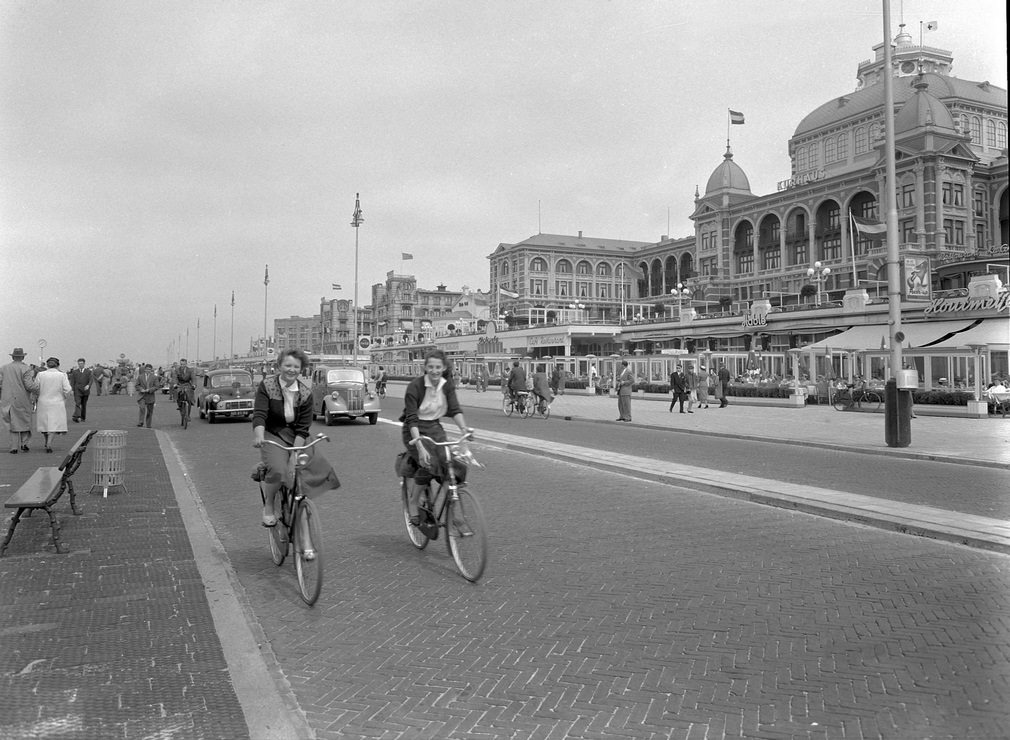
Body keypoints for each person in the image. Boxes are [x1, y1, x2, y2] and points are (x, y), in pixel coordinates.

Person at [252, 348, 339, 561]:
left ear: (302, 370)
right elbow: (260, 414)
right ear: (279, 366)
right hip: (272, 434)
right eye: (288, 365)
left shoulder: (305, 393)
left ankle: (306, 534)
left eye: (296, 367)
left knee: (305, 478)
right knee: (279, 470)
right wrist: (259, 435)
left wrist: (294, 456)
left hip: (296, 437)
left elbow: (302, 428)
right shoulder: (267, 386)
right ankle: (270, 504)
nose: (291, 370)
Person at [399, 349, 472, 530]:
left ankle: (453, 509)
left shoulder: (447, 386)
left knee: (451, 464)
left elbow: (455, 409)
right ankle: (414, 502)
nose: (434, 371)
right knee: (427, 463)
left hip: (434, 427)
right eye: (430, 367)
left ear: (444, 367)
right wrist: (420, 446)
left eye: (438, 367)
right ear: (425, 368)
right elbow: (411, 418)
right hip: (413, 430)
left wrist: (465, 429)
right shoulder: (415, 387)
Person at [1, 347, 39, 453]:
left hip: (7, 399)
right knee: (24, 420)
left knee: (12, 423)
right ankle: (24, 443)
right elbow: (29, 385)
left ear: (13, 357)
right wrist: (38, 388)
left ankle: (13, 447)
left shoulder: (4, 368)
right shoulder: (26, 369)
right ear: (22, 357)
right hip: (22, 399)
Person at [34, 357, 72, 453]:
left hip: (43, 402)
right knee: (53, 424)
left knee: (45, 424)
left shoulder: (40, 374)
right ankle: (49, 443)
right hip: (57, 402)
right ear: (58, 365)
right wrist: (64, 396)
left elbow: (35, 387)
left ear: (47, 365)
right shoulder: (62, 375)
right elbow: (67, 389)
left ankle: (47, 441)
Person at [68, 357, 94, 423]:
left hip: (85, 391)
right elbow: (72, 382)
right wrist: (72, 390)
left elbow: (91, 380)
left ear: (84, 364)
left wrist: (88, 385)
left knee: (84, 405)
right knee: (77, 403)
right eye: (79, 364)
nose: (80, 365)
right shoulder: (74, 372)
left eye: (82, 363)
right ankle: (77, 416)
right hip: (77, 390)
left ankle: (83, 417)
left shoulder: (88, 372)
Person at [173, 358, 196, 424]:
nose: (182, 366)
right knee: (177, 393)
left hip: (187, 384)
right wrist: (175, 384)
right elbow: (175, 378)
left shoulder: (190, 370)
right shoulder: (177, 370)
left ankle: (188, 415)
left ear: (186, 364)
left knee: (189, 397)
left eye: (184, 364)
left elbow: (193, 378)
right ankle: (179, 405)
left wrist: (194, 385)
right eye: (181, 364)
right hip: (180, 384)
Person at [135, 363, 158, 428]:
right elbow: (137, 385)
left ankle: (148, 424)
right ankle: (140, 422)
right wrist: (141, 389)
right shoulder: (140, 377)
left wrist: (150, 390)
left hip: (150, 396)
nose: (148, 371)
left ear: (151, 370)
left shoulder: (154, 377)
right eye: (147, 369)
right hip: (142, 395)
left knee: (149, 411)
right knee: (142, 408)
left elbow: (156, 386)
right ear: (145, 369)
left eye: (150, 369)